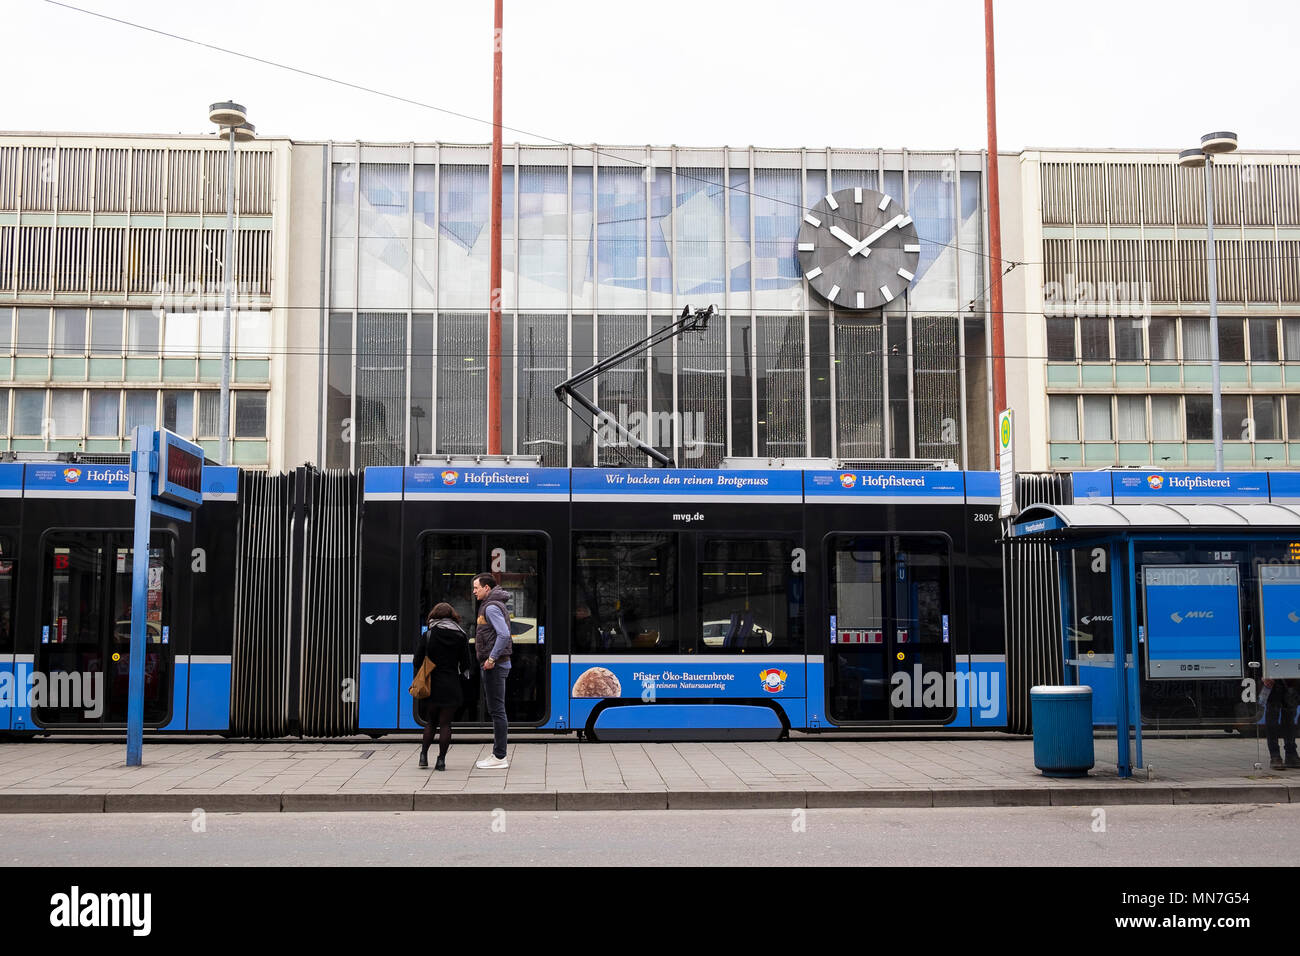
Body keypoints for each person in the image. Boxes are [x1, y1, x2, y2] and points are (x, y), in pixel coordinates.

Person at [414, 603, 471, 771]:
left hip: (432, 685)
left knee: (431, 722)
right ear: (453, 616)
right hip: (451, 684)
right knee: (446, 724)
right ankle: (441, 760)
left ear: (434, 615)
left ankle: (423, 756)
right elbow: (466, 664)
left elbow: (417, 661)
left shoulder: (429, 635)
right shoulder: (461, 636)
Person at [472, 572, 512, 770]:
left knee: (497, 711)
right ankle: (498, 754)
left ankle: (499, 756)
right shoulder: (493, 605)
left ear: (487, 588)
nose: (474, 592)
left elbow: (504, 634)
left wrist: (491, 658)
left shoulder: (491, 607)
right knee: (497, 710)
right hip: (496, 664)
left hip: (494, 666)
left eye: (476, 588)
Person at [1263, 677, 1299, 771]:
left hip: (1292, 679)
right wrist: (1263, 674)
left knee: (1290, 715)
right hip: (1273, 678)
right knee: (1273, 717)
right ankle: (1275, 755)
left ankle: (1291, 753)